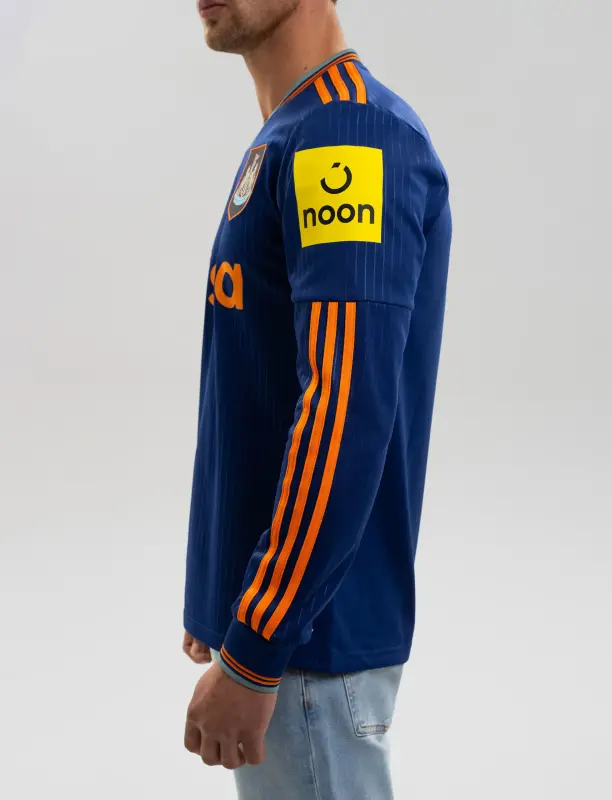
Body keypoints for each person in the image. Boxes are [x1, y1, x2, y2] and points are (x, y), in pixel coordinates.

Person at [182, 1, 452, 797]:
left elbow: (344, 409)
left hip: (310, 649)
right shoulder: (295, 133)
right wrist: (218, 590)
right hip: (290, 642)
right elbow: (256, 385)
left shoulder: (347, 139)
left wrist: (257, 640)